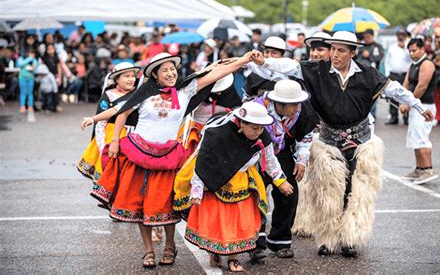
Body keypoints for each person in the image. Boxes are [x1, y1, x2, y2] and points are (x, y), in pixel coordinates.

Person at [247, 31, 433, 258]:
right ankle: (327, 239)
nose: (335, 54)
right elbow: (288, 66)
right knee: (327, 192)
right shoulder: (317, 71)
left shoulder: (367, 74)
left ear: (353, 52)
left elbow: (394, 89)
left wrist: (418, 106)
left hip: (361, 141)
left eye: (341, 50)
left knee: (354, 191)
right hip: (328, 141)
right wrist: (264, 61)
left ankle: (350, 238)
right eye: (333, 49)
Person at [91, 52, 255, 268]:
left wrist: (243, 60)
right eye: (165, 70)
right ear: (156, 75)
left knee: (168, 204)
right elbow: (120, 111)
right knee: (141, 205)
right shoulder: (145, 93)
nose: (170, 73)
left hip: (168, 157)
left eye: (172, 69)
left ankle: (169, 246)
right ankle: (148, 250)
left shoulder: (185, 90)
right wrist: (106, 132)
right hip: (139, 153)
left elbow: (216, 74)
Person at [174, 101, 293, 272]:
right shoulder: (216, 135)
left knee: (239, 222)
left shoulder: (262, 136)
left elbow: (271, 161)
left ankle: (233, 258)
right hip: (216, 182)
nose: (258, 132)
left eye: (261, 128)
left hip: (242, 183)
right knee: (216, 222)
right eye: (254, 128)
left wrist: (281, 181)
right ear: (241, 123)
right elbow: (203, 163)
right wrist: (197, 190)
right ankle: (213, 250)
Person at [250, 80, 315, 259]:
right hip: (256, 153)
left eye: (298, 103)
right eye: (292, 105)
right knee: (256, 194)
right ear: (279, 104)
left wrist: (301, 161)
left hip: (283, 151)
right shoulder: (257, 109)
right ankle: (255, 242)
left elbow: (306, 137)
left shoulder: (303, 111)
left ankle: (280, 240)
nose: (297, 108)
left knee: (289, 194)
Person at [78, 62, 140, 182]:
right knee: (108, 173)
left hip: (132, 138)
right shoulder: (109, 95)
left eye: (132, 76)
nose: (131, 79)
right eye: (126, 76)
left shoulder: (138, 94)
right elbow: (100, 123)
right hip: (111, 137)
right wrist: (103, 147)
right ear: (117, 79)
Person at [401, 38, 438, 184]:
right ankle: (419, 169)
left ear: (422, 49)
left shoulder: (427, 64)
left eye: (414, 50)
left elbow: (422, 86)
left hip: (425, 106)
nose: (411, 53)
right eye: (409, 51)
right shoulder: (413, 65)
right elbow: (406, 84)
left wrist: (409, 103)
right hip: (415, 105)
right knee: (414, 138)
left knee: (421, 138)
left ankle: (428, 169)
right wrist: (403, 101)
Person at [384, 27, 412, 125]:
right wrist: (388, 73)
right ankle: (393, 117)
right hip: (393, 75)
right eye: (399, 35)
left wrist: (404, 47)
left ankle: (407, 117)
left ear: (405, 35)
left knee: (406, 96)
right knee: (393, 96)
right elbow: (387, 61)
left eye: (402, 34)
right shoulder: (392, 47)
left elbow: (410, 58)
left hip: (405, 75)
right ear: (396, 36)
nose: (400, 36)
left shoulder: (409, 47)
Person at [16, 47, 38, 122]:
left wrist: (33, 66)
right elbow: (19, 64)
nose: (32, 54)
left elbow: (35, 69)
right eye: (30, 53)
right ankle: (22, 106)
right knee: (23, 92)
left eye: (33, 53)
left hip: (30, 78)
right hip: (22, 77)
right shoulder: (22, 58)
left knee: (30, 93)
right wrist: (29, 59)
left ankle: (30, 106)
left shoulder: (34, 60)